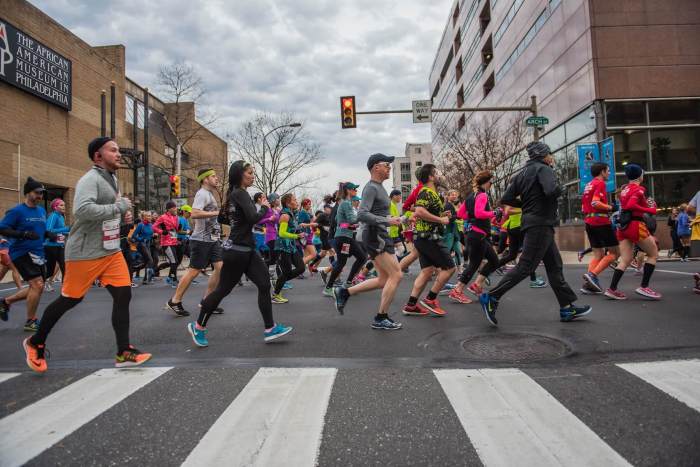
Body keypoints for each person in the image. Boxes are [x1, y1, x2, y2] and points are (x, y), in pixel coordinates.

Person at [22, 137, 151, 372]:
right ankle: (35, 342)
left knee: (123, 295)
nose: (118, 154)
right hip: (85, 252)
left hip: (110, 251)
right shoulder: (89, 180)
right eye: (113, 150)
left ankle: (123, 351)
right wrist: (118, 208)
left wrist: (122, 218)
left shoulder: (112, 179)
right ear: (98, 156)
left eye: (118, 150)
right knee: (71, 299)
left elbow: (106, 213)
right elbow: (82, 210)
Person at [479, 142, 591, 325]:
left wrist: (526, 205)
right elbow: (551, 191)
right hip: (540, 223)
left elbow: (506, 199)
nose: (551, 157)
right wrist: (560, 186)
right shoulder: (544, 169)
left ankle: (567, 308)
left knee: (555, 265)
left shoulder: (521, 173)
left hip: (534, 223)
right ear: (543, 155)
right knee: (526, 266)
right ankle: (491, 297)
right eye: (550, 153)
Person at [188, 161, 292, 347]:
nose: (253, 175)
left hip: (248, 249)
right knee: (223, 290)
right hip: (236, 251)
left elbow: (222, 217)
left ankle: (270, 328)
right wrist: (265, 208)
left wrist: (238, 218)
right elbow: (253, 217)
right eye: (250, 173)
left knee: (263, 283)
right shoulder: (240, 193)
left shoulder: (234, 194)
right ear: (239, 175)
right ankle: (198, 326)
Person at [333, 153, 404, 330]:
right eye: (385, 164)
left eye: (389, 165)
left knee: (383, 279)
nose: (389, 167)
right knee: (396, 275)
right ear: (375, 167)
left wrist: (399, 219)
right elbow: (362, 214)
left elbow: (379, 214)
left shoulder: (380, 188)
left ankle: (344, 291)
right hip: (375, 236)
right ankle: (381, 317)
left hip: (379, 234)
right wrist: (387, 221)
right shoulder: (371, 188)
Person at [166, 168, 224, 316]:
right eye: (213, 176)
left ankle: (207, 301)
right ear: (205, 179)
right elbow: (195, 213)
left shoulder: (210, 194)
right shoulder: (202, 193)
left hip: (212, 239)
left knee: (220, 267)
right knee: (194, 271)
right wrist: (217, 212)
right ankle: (175, 300)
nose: (217, 178)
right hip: (201, 240)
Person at [402, 164, 455, 317]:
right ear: (431, 177)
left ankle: (411, 305)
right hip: (429, 238)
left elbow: (426, 211)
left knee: (426, 272)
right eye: (436, 172)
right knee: (450, 268)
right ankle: (431, 299)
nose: (439, 175)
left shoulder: (432, 193)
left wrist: (443, 214)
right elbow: (419, 211)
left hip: (423, 237)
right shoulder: (426, 192)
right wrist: (440, 219)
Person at [604, 164, 661, 299]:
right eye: (642, 173)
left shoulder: (624, 189)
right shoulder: (638, 189)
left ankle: (612, 289)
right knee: (653, 254)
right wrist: (650, 210)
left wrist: (646, 206)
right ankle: (644, 287)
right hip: (636, 225)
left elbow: (631, 205)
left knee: (626, 259)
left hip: (623, 227)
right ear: (639, 175)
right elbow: (631, 206)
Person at [0, 177, 49, 331]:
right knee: (37, 284)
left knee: (37, 287)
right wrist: (23, 234)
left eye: (42, 193)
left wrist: (49, 235)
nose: (40, 196)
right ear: (28, 193)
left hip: (38, 253)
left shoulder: (42, 211)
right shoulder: (16, 211)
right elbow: (2, 229)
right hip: (21, 252)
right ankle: (31, 321)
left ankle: (5, 302)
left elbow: (40, 231)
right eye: (37, 193)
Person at [448, 171, 501, 304]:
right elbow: (479, 213)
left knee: (494, 261)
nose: (491, 184)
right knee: (474, 264)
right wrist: (494, 212)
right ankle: (457, 290)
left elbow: (461, 213)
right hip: (478, 235)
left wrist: (471, 218)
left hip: (475, 234)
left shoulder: (471, 196)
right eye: (491, 182)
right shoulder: (482, 195)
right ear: (485, 182)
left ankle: (476, 285)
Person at [580, 162, 620, 293]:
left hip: (589, 221)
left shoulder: (588, 185)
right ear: (602, 172)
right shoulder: (600, 183)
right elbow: (595, 202)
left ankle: (589, 284)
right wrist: (612, 207)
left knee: (598, 254)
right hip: (600, 221)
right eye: (608, 170)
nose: (609, 173)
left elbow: (583, 207)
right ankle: (593, 275)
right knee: (615, 253)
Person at [323, 182, 367, 297]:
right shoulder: (346, 203)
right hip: (343, 238)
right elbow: (351, 219)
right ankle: (328, 288)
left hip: (346, 236)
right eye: (354, 189)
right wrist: (362, 216)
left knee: (362, 257)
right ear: (348, 190)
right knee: (341, 262)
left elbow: (340, 221)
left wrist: (350, 225)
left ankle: (348, 283)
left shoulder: (345, 203)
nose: (356, 191)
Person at [272, 193, 306, 303]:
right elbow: (281, 233)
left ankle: (278, 282)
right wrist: (297, 236)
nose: (296, 201)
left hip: (291, 246)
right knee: (286, 272)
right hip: (282, 247)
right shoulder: (285, 215)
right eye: (294, 200)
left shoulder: (291, 213)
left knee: (301, 268)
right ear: (288, 203)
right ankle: (275, 295)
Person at [44, 198, 70, 292]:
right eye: (61, 205)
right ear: (55, 207)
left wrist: (68, 231)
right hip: (50, 246)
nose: (64, 207)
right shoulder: (53, 216)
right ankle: (39, 282)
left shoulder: (61, 217)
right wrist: (66, 229)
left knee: (64, 266)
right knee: (50, 270)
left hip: (60, 245)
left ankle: (66, 288)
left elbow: (61, 230)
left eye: (64, 205)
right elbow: (49, 230)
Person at [153, 201, 182, 287]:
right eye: (173, 207)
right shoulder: (162, 217)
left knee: (175, 262)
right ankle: (173, 279)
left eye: (175, 207)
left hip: (174, 242)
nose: (175, 209)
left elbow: (176, 229)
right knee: (174, 261)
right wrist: (162, 231)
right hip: (166, 243)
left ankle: (170, 277)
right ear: (169, 209)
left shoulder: (176, 217)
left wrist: (179, 228)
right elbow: (153, 227)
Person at [131, 211, 155, 284]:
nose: (149, 217)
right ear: (143, 217)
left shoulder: (151, 225)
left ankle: (132, 270)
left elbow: (150, 234)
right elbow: (133, 236)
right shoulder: (140, 225)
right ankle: (148, 279)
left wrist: (153, 235)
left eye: (150, 216)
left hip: (148, 244)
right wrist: (141, 239)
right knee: (150, 260)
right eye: (147, 216)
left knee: (146, 261)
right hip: (141, 244)